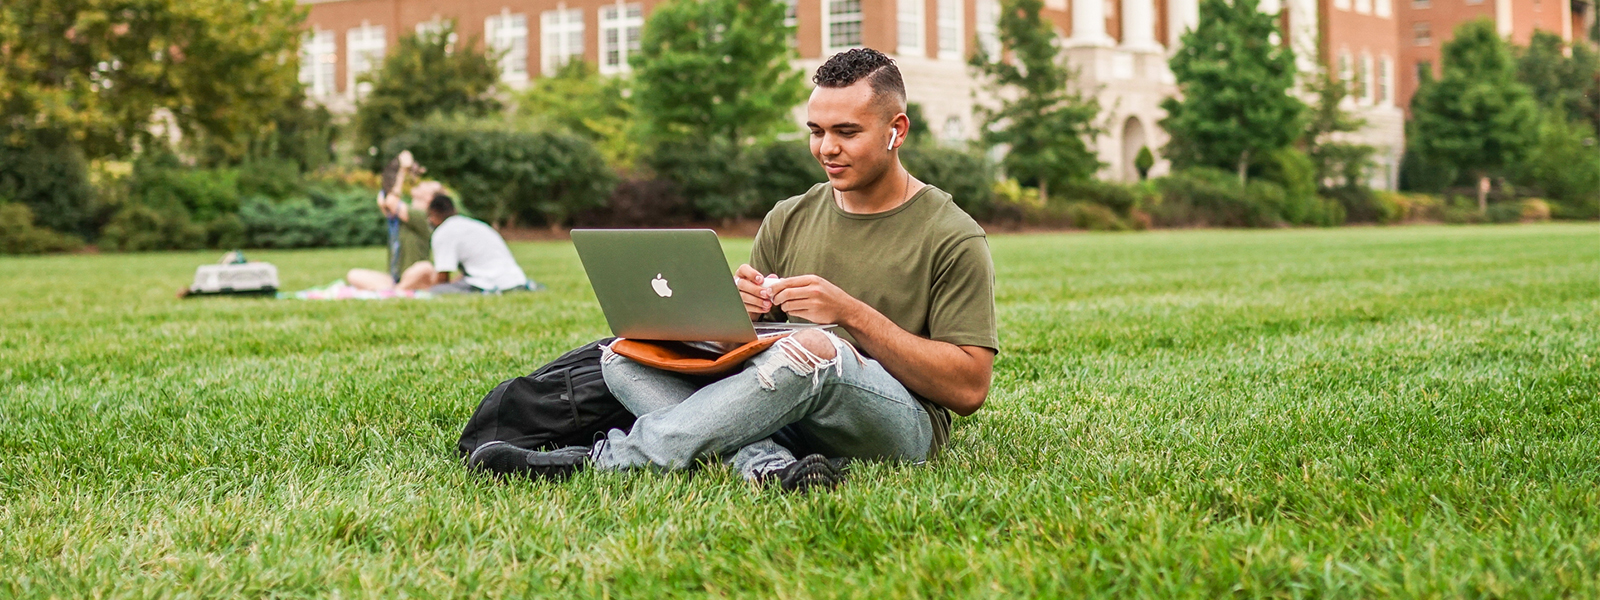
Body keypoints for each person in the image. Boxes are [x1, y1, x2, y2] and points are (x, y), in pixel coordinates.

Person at [467, 48, 997, 492]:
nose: (826, 148)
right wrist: (730, 312)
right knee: (623, 358)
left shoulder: (952, 235)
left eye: (846, 131)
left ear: (896, 130)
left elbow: (969, 389)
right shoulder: (790, 215)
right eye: (815, 131)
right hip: (784, 408)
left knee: (816, 348)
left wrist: (850, 317)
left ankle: (606, 460)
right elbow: (748, 353)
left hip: (899, 426)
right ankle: (765, 467)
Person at [424, 194, 538, 294]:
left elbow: (443, 277)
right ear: (454, 210)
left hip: (488, 284)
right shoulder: (475, 225)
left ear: (433, 213)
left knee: (436, 291)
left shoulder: (443, 232)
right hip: (516, 280)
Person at [346, 179, 441, 291]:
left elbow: (391, 202)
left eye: (427, 185)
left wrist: (403, 170)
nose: (422, 184)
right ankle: (397, 290)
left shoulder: (424, 217)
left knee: (425, 267)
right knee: (353, 274)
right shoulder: (404, 215)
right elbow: (384, 201)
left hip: (416, 277)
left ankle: (394, 291)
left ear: (429, 197)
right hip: (396, 279)